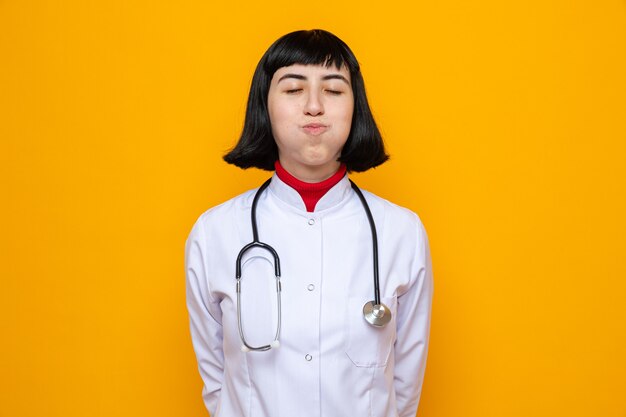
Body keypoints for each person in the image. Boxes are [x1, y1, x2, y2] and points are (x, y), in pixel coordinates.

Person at [185, 29, 433, 417]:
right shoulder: (214, 232)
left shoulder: (401, 232)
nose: (314, 106)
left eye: (334, 90)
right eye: (293, 89)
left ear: (356, 107)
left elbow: (405, 385)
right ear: (264, 105)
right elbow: (217, 380)